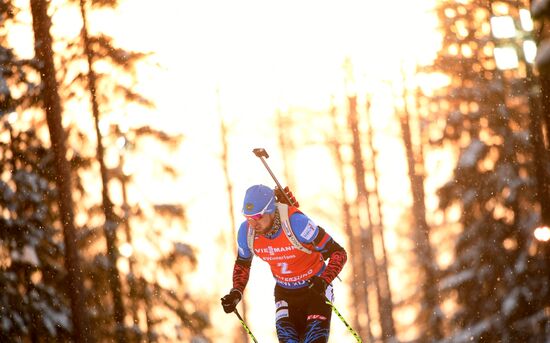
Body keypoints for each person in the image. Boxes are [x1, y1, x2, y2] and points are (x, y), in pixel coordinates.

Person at [221, 184, 347, 343]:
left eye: (258, 216)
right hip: (285, 294)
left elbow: (339, 253)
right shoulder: (246, 233)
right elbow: (243, 264)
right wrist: (236, 293)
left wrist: (324, 280)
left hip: (316, 291)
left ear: (270, 210)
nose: (253, 223)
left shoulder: (297, 223)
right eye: (248, 217)